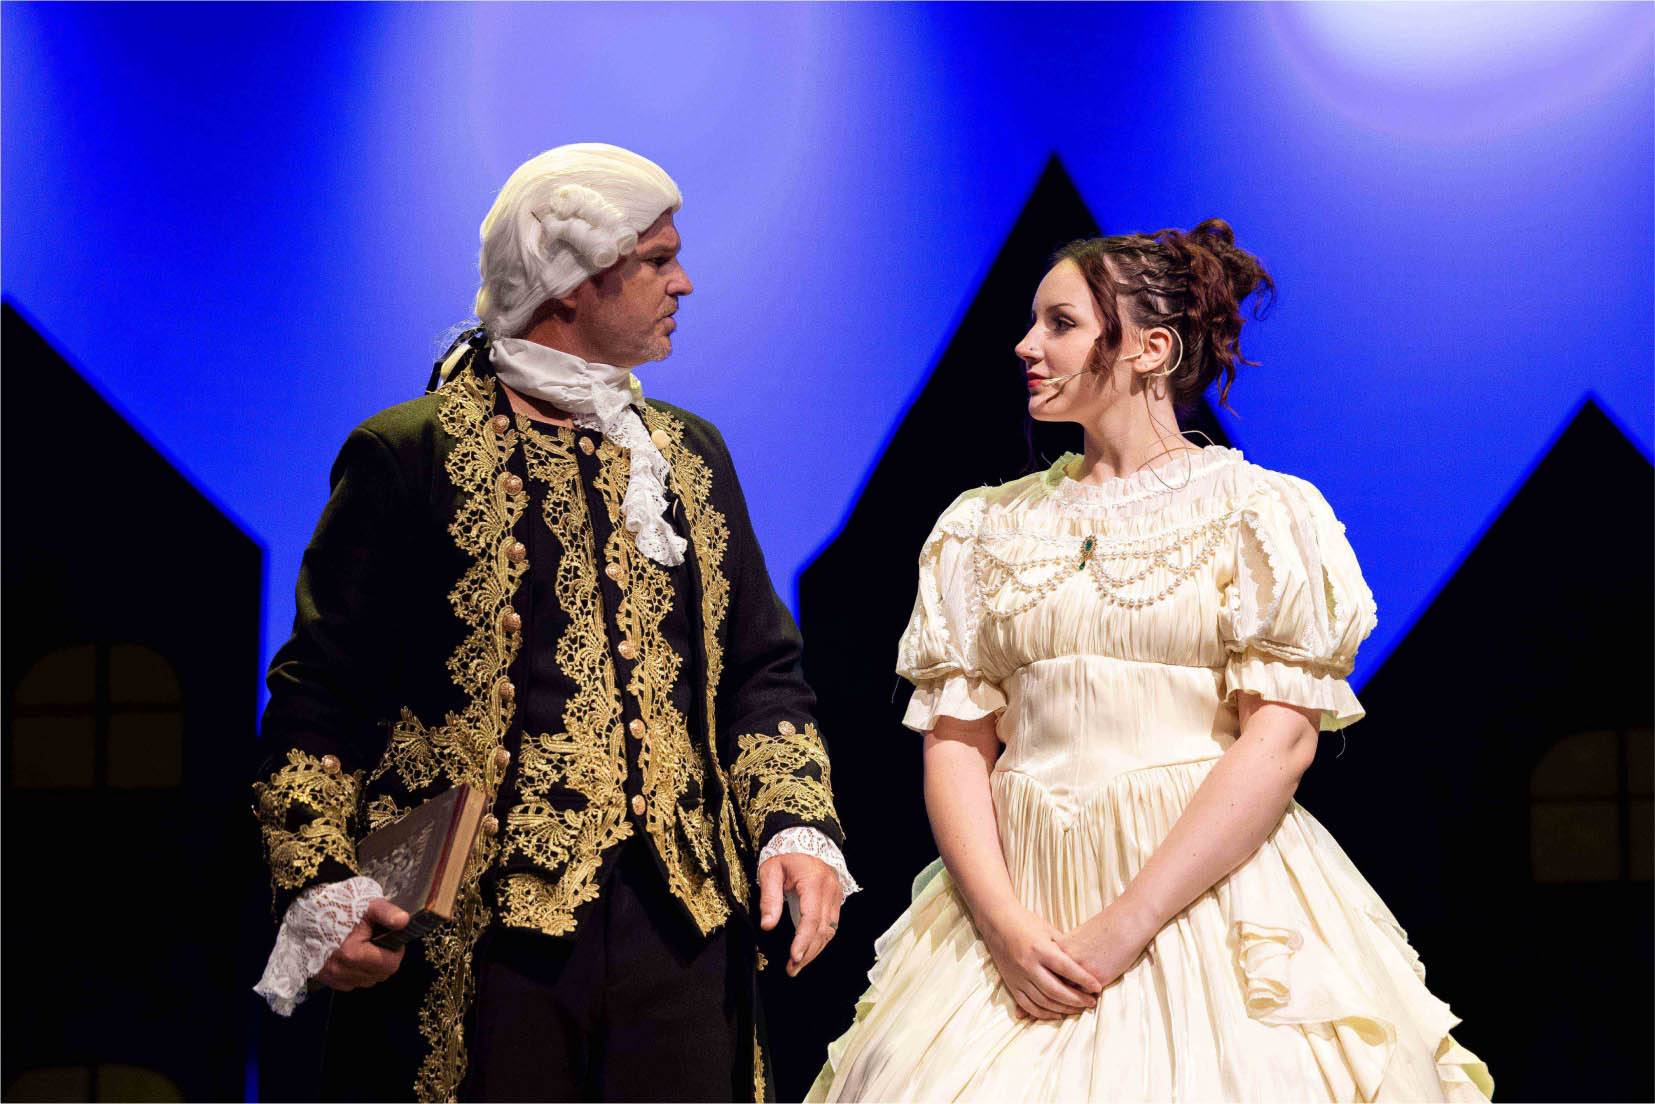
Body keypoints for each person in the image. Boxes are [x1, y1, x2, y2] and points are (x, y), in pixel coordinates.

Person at [809, 221, 1492, 1102]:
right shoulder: (981, 525)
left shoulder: (1256, 511)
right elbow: (955, 742)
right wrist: (1006, 927)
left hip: (1199, 891)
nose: (1026, 345)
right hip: (1016, 901)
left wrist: (1125, 925)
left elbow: (1279, 742)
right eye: (1033, 322)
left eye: (1060, 323)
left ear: (1150, 349)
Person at [250, 142, 856, 1102]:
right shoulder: (409, 453)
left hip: (681, 928)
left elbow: (760, 673)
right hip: (481, 942)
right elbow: (321, 694)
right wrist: (319, 880)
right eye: (657, 260)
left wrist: (794, 826)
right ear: (572, 280)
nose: (683, 283)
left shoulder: (689, 454)